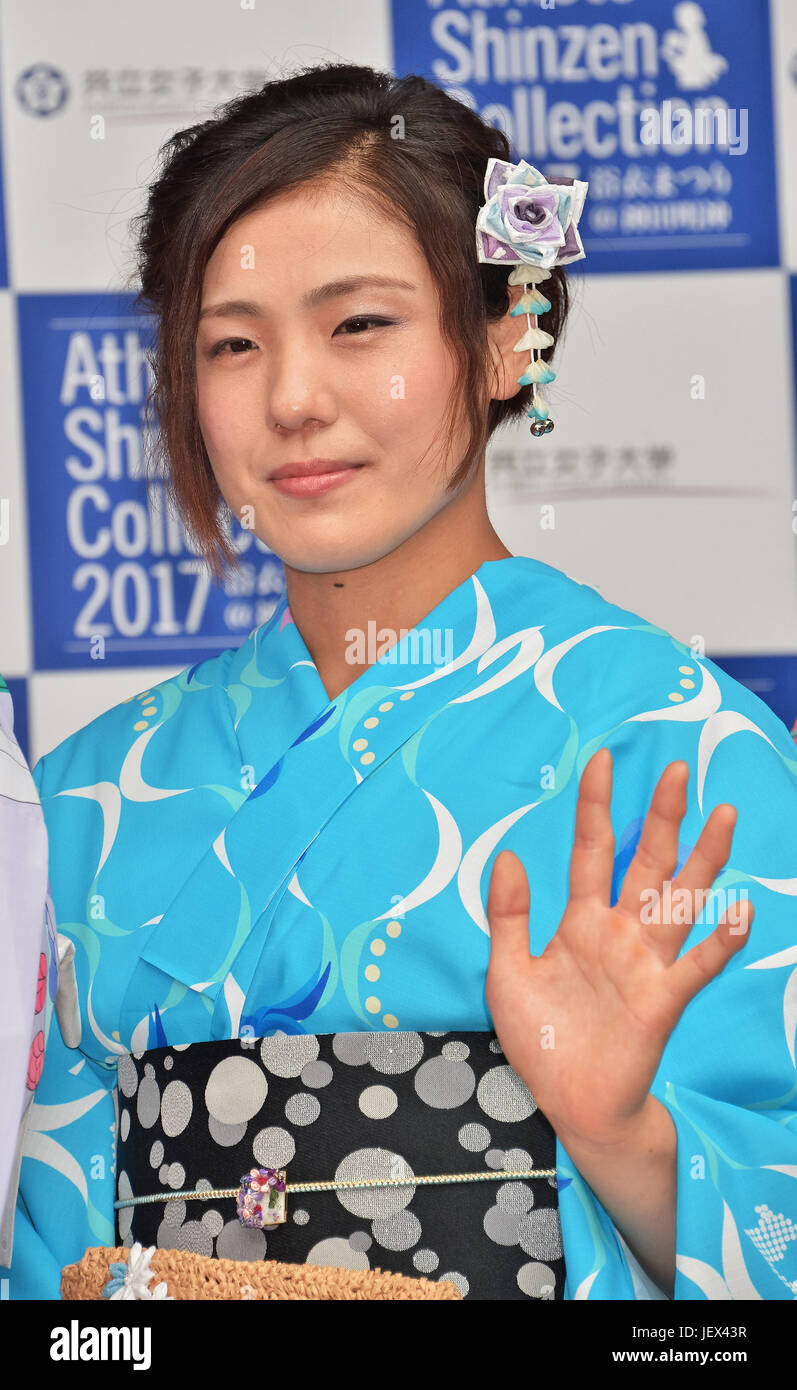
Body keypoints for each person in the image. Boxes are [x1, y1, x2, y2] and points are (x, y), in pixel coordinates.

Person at [3, 62, 797, 1302]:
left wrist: (621, 1135)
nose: (293, 399)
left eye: (357, 324)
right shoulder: (82, 801)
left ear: (500, 341)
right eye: (230, 343)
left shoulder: (675, 749)